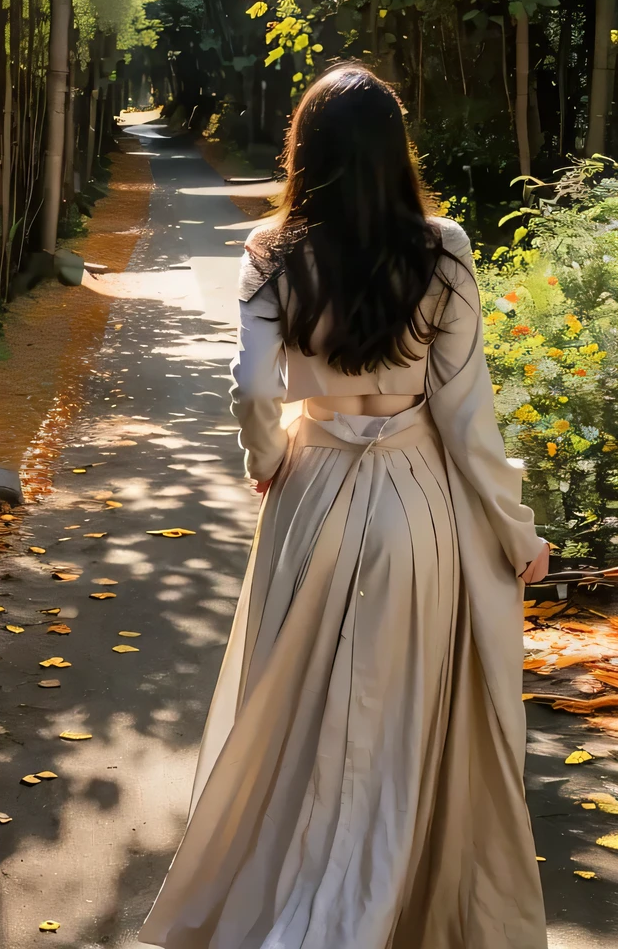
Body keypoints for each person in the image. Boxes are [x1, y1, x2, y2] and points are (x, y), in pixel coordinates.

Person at [140, 61, 548, 949]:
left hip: (311, 490)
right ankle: (385, 905)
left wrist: (270, 455)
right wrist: (517, 528)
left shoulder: (271, 250)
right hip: (420, 504)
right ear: (394, 150)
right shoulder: (441, 248)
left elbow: (251, 387)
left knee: (290, 706)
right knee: (400, 717)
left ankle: (292, 900)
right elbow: (467, 413)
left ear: (306, 148)